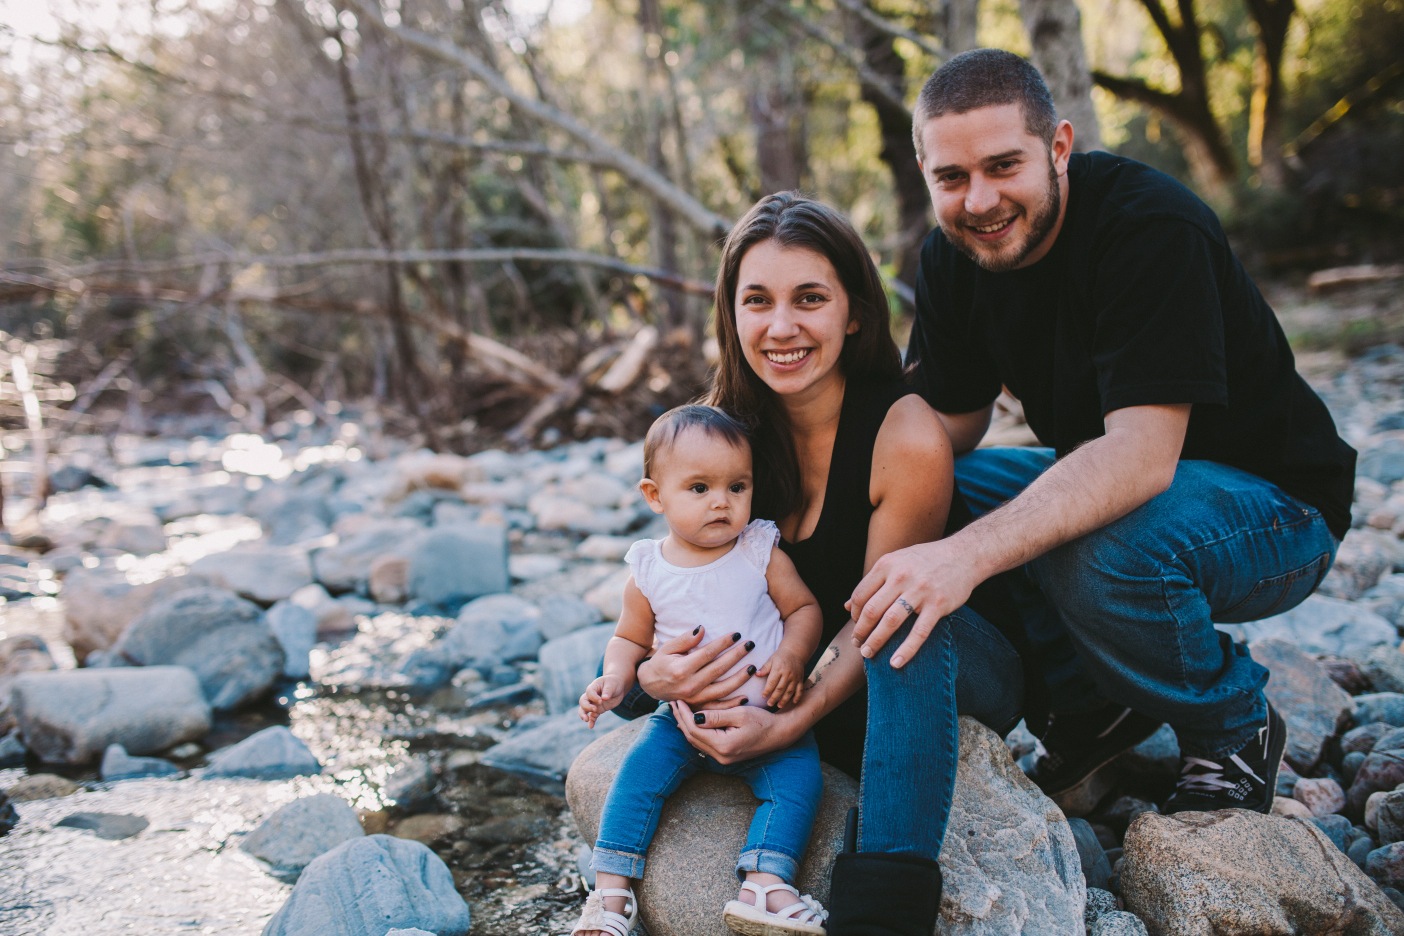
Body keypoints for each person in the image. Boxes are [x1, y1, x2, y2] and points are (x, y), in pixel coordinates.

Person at [847, 48, 1356, 818]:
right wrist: (823, 460)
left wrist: (960, 558)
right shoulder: (953, 256)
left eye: (1002, 166)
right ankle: (1096, 711)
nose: (979, 200)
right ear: (924, 171)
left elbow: (1143, 457)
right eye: (951, 178)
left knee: (1097, 541)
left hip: (1278, 509)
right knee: (935, 488)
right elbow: (950, 421)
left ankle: (1230, 727)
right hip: (1134, 486)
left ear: (1058, 147)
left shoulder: (1149, 226)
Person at [631, 192, 1034, 936]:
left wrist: (790, 725)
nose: (781, 327)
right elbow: (668, 578)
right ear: (733, 314)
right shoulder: (726, 436)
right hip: (807, 683)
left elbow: (881, 616)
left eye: (809, 299)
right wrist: (651, 679)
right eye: (758, 301)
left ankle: (881, 915)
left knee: (901, 609)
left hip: (945, 669)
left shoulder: (905, 433)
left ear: (853, 311)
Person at [572, 404, 830, 936]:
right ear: (654, 496)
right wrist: (616, 680)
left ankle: (765, 880)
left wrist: (792, 655)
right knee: (635, 781)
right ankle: (612, 892)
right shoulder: (648, 568)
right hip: (683, 722)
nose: (722, 502)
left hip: (767, 719)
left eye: (737, 486)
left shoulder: (758, 549)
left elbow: (803, 610)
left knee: (802, 781)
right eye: (699, 489)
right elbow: (628, 637)